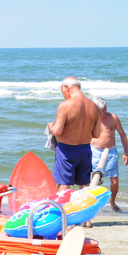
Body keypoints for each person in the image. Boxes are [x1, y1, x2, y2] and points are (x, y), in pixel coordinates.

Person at [48, 77, 101, 226]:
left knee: (64, 185)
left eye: (62, 92)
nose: (63, 95)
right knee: (84, 184)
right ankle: (87, 219)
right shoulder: (94, 107)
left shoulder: (65, 105)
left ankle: (62, 218)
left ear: (66, 87)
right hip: (85, 149)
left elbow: (58, 130)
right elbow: (96, 134)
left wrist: (50, 125)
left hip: (67, 150)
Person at [90, 97, 128, 213]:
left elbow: (123, 135)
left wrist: (126, 153)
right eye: (101, 110)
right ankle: (92, 203)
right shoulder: (90, 119)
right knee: (94, 180)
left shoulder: (113, 118)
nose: (104, 112)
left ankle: (112, 202)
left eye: (105, 109)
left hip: (111, 151)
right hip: (94, 151)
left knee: (115, 181)